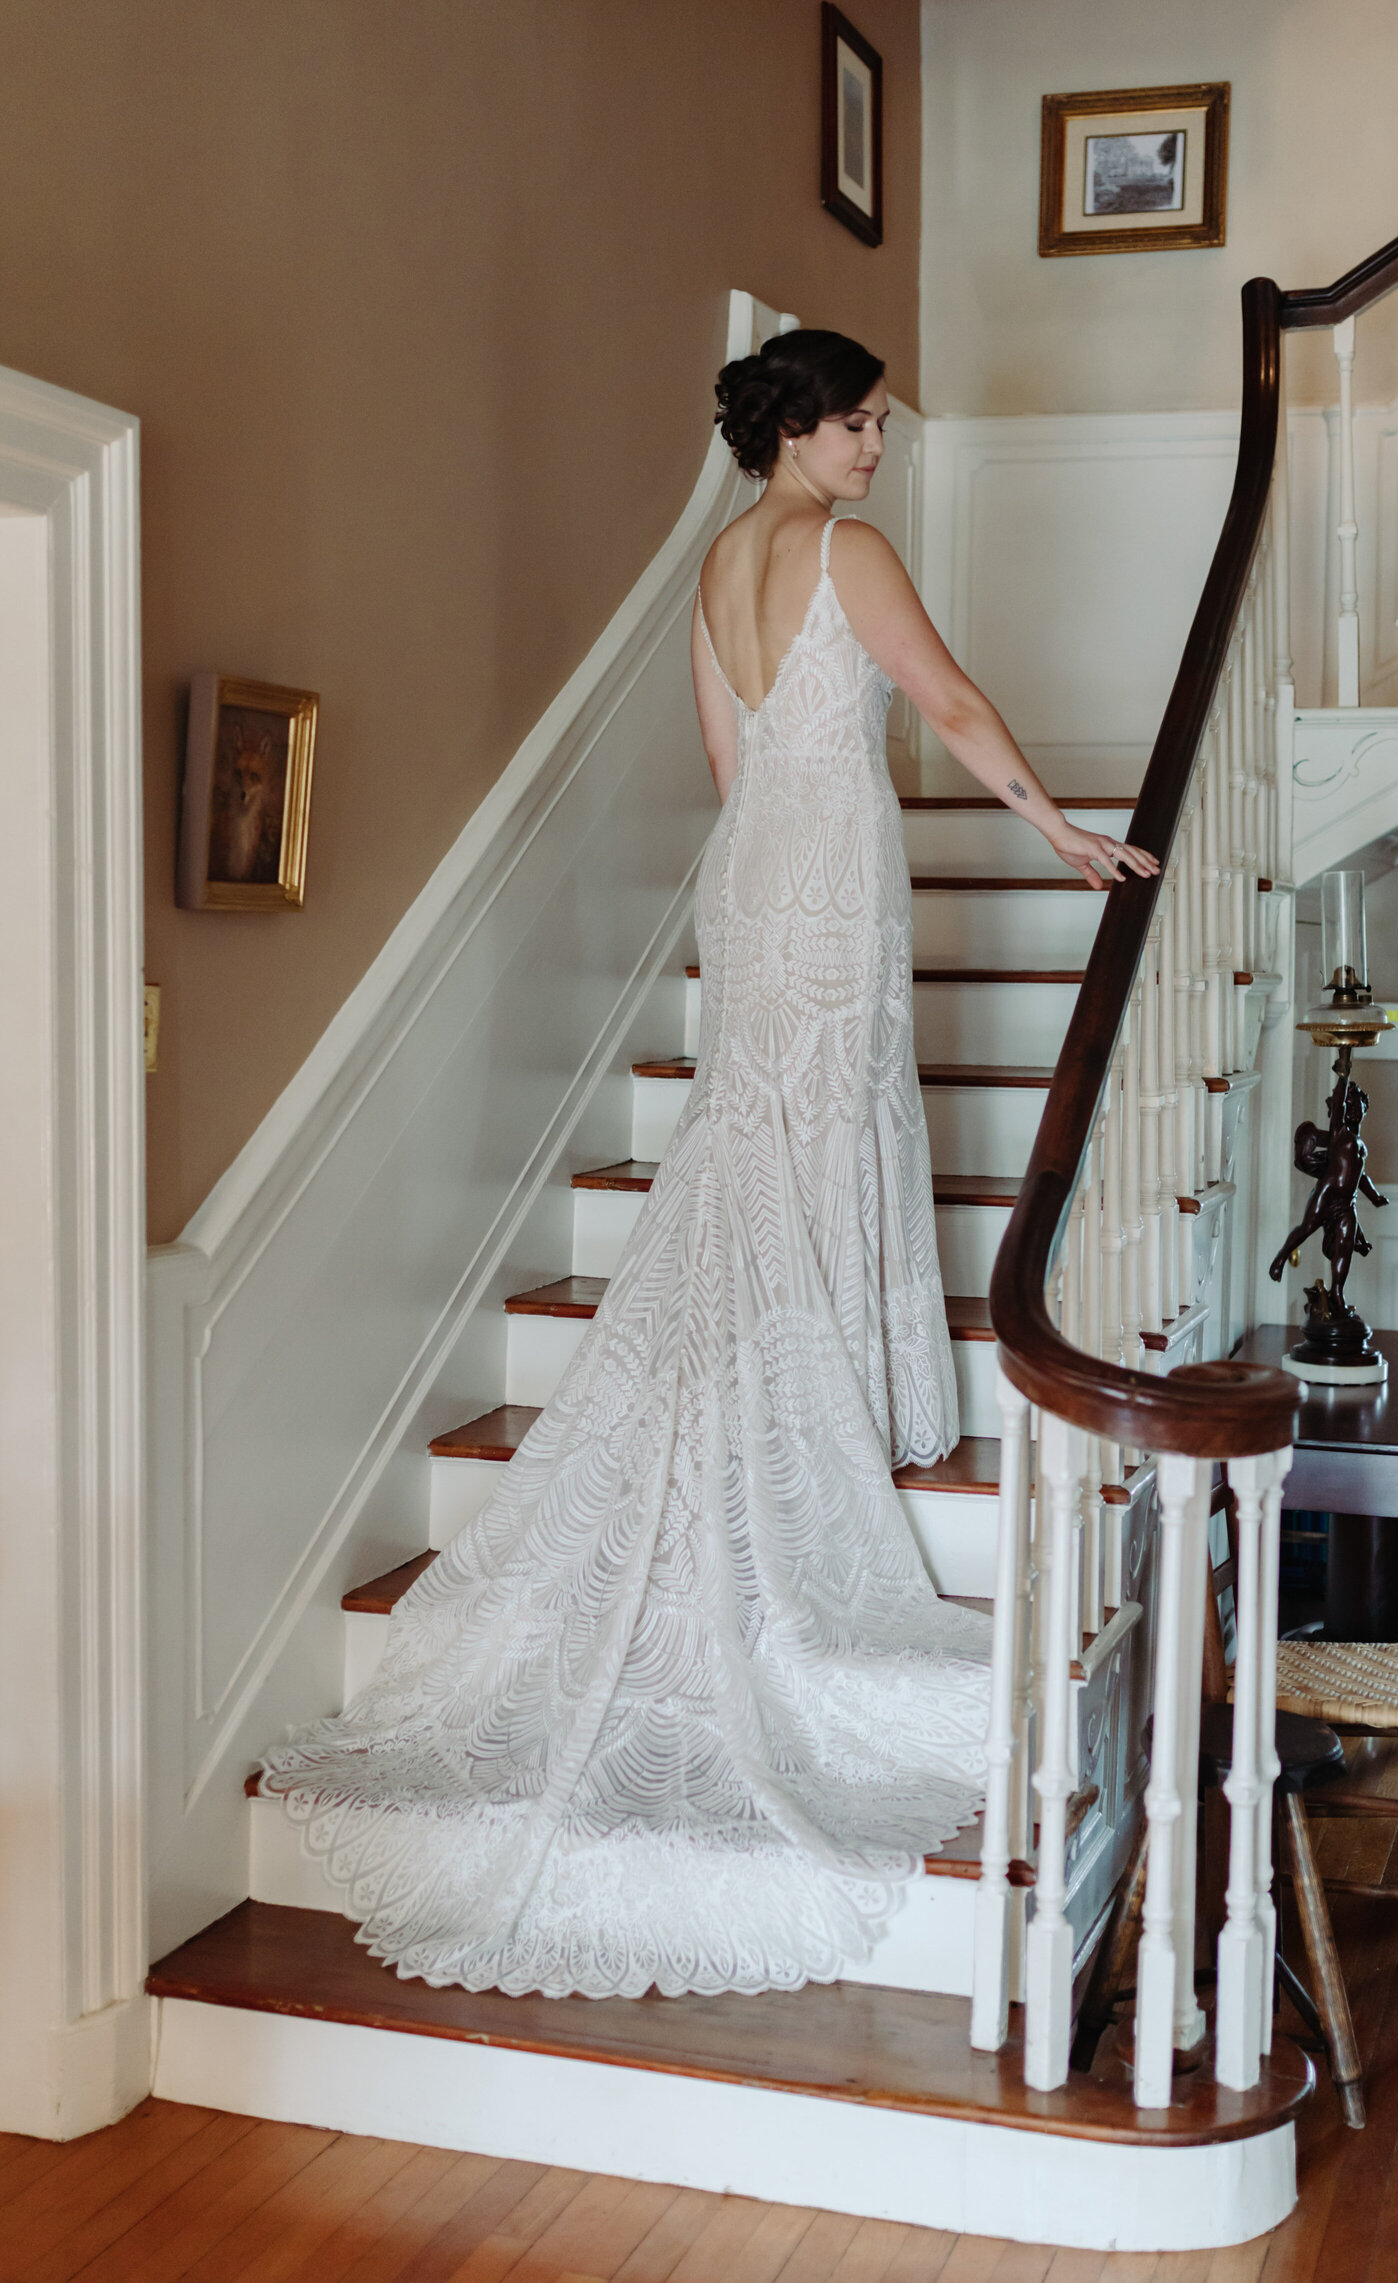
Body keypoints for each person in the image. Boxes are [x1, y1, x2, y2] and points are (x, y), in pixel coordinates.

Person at [257, 330, 1158, 2002]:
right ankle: (823, 1376)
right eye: (865, 422)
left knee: (765, 1114)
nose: (881, 446)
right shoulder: (845, 548)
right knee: (833, 1106)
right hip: (833, 877)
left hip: (756, 880)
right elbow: (946, 701)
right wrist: (1057, 831)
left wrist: (792, 855)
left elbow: (732, 772)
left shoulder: (716, 568)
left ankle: (777, 1361)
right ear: (803, 430)